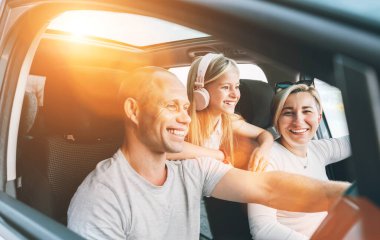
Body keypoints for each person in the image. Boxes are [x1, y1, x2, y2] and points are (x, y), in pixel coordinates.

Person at [67, 67, 349, 240]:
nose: (186, 118)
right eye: (171, 106)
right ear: (133, 110)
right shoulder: (101, 197)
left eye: (185, 107)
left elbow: (268, 187)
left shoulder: (193, 169)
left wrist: (350, 196)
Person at [166, 53, 273, 239]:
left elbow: (265, 135)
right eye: (225, 87)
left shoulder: (227, 121)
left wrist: (262, 149)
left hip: (209, 200)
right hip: (179, 203)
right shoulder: (185, 119)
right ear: (201, 91)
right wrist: (216, 155)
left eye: (237, 87)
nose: (235, 94)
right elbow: (167, 150)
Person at [247, 82, 351, 240]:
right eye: (288, 113)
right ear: (276, 120)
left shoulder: (317, 149)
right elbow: (262, 229)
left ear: (319, 117)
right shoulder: (266, 159)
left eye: (306, 111)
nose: (298, 121)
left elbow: (358, 141)